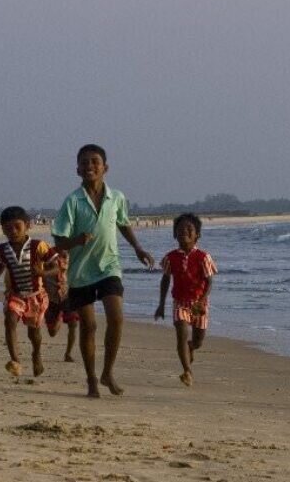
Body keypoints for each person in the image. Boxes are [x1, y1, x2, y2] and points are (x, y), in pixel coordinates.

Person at [51, 144, 154, 397]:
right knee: (88, 326)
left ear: (105, 168)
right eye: (84, 162)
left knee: (116, 317)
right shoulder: (72, 201)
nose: (89, 166)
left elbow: (123, 224)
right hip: (80, 272)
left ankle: (108, 372)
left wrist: (138, 248)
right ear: (77, 169)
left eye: (94, 161)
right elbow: (58, 241)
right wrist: (76, 242)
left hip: (109, 267)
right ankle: (91, 380)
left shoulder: (116, 197)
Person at [0, 206, 59, 377]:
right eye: (8, 229)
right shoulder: (2, 250)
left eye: (17, 227)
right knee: (9, 320)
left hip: (35, 296)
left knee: (34, 332)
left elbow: (56, 266)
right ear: (2, 230)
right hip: (15, 295)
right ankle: (15, 360)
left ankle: (36, 354)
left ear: (27, 225)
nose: (13, 231)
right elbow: (1, 266)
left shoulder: (39, 246)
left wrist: (43, 273)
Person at [154, 213, 217, 387]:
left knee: (198, 341)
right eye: (180, 230)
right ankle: (187, 371)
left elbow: (209, 281)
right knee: (181, 332)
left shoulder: (204, 257)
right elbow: (165, 280)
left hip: (199, 303)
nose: (185, 233)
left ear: (197, 234)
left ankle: (191, 347)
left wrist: (202, 301)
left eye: (189, 230)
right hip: (180, 302)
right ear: (175, 234)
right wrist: (161, 305)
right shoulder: (170, 257)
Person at [43, 249, 79, 362]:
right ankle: (59, 316)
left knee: (73, 324)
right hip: (51, 298)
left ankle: (68, 353)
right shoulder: (49, 256)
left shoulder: (74, 256)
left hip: (67, 296)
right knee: (52, 332)